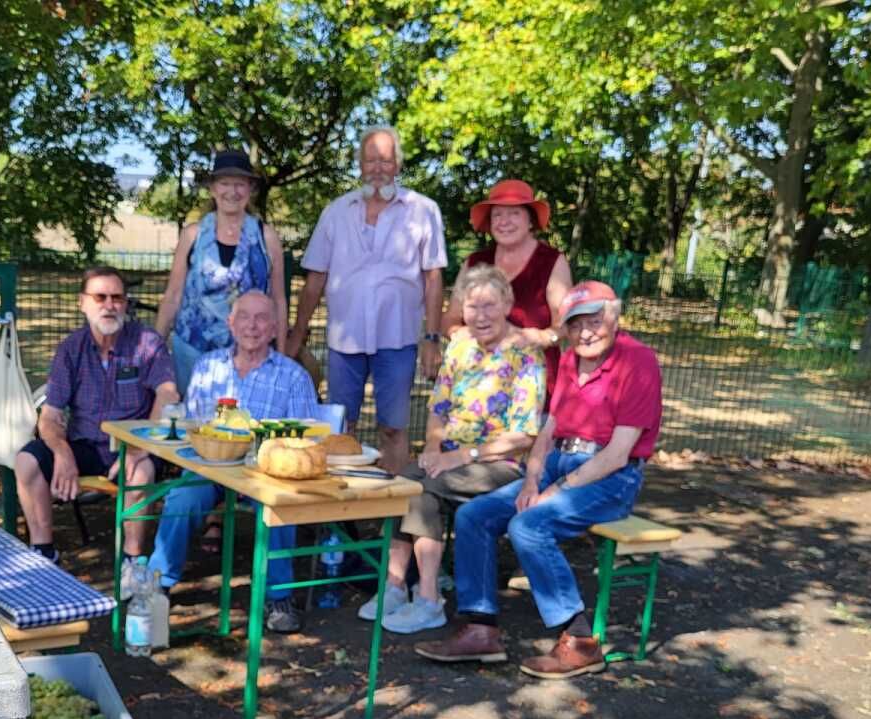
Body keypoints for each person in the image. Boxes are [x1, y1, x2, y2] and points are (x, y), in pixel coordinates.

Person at [415, 281, 663, 677]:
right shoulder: (568, 360)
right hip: (558, 461)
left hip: (611, 476)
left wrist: (553, 491)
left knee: (528, 525)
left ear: (614, 317)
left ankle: (580, 639)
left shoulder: (638, 362)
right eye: (576, 324)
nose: (586, 332)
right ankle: (481, 629)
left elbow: (617, 456)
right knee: (474, 516)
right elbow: (547, 431)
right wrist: (532, 481)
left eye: (595, 321)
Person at [363, 265, 545, 634]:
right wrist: (432, 447)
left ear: (508, 304)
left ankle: (429, 598)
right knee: (402, 482)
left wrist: (460, 456)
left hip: (498, 462)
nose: (481, 316)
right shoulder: (460, 345)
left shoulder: (526, 356)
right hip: (449, 457)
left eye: (490, 306)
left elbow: (524, 435)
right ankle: (395, 586)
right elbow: (439, 406)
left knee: (424, 489)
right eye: (472, 306)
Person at [149, 290, 320, 634]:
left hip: (266, 473)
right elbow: (193, 426)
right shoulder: (208, 366)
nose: (252, 326)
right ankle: (157, 583)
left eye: (261, 319)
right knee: (182, 498)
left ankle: (279, 597)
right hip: (213, 466)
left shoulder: (293, 376)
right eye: (244, 317)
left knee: (280, 507)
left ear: (274, 328)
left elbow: (306, 439)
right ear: (230, 323)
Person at [284, 125, 447, 474]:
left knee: (394, 427)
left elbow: (434, 278)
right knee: (342, 427)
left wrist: (432, 338)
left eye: (385, 160)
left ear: (398, 165)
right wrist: (297, 332)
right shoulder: (336, 212)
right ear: (359, 164)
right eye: (370, 160)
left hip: (398, 338)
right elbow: (315, 278)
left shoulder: (423, 210)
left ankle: (391, 515)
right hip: (345, 340)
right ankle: (342, 516)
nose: (377, 168)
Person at [13, 266, 178, 592]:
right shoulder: (70, 349)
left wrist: (140, 445)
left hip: (133, 443)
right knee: (27, 461)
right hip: (84, 445)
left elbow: (168, 393)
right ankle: (44, 552)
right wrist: (62, 453)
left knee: (141, 470)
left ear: (126, 303)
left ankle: (133, 565)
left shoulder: (147, 342)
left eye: (117, 297)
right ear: (82, 303)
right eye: (99, 297)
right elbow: (50, 414)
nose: (109, 305)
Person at [155, 150, 287, 394]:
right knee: (192, 424)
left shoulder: (265, 237)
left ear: (250, 189)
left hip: (249, 352)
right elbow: (173, 294)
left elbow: (277, 299)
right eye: (225, 183)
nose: (232, 192)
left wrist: (281, 353)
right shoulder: (193, 235)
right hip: (192, 350)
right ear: (213, 189)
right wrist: (153, 349)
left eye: (240, 184)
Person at [443, 179, 571, 385]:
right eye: (497, 214)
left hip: (533, 381)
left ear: (530, 221)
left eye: (514, 213)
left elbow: (565, 324)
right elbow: (450, 319)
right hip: (477, 384)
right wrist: (459, 333)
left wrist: (543, 337)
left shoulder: (552, 261)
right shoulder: (474, 262)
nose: (505, 221)